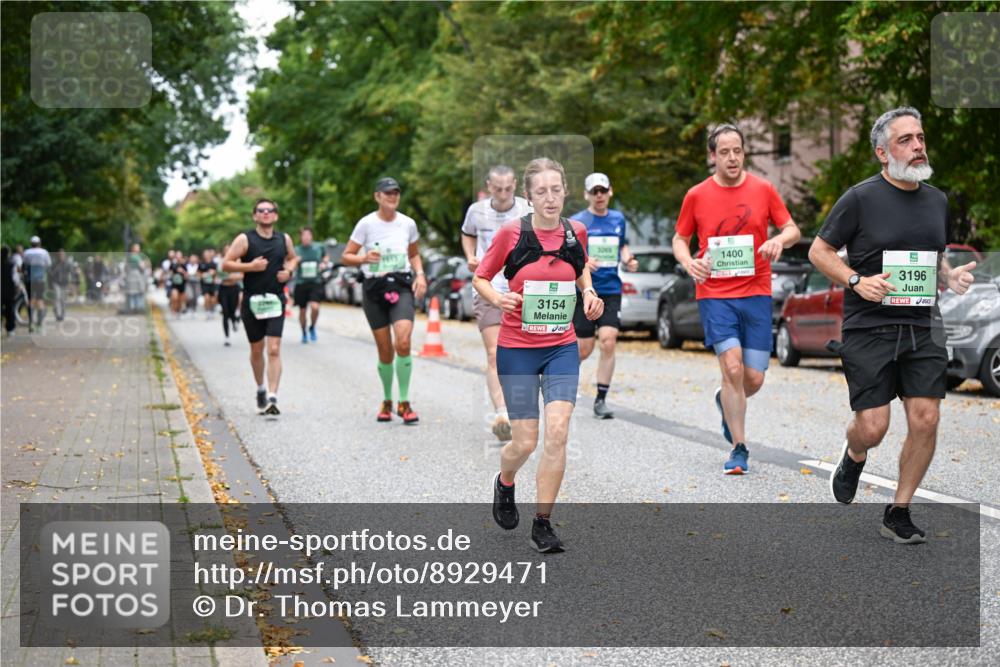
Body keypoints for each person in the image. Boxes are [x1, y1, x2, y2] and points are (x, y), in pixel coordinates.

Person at [808, 107, 976, 544]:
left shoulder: (937, 200)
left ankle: (898, 510)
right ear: (883, 152)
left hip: (922, 325)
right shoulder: (860, 198)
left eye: (920, 137)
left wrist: (949, 275)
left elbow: (930, 255)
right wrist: (856, 281)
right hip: (870, 327)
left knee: (926, 417)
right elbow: (820, 252)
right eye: (906, 140)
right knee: (873, 426)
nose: (918, 146)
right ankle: (854, 453)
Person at [473, 157, 604, 553]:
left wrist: (589, 293)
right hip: (518, 349)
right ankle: (506, 482)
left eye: (556, 190)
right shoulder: (512, 234)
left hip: (561, 346)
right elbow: (481, 276)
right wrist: (499, 297)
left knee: (559, 431)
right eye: (541, 192)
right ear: (529, 197)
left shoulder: (575, 231)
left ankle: (542, 523)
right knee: (525, 442)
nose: (550, 198)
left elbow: (580, 268)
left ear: (565, 191)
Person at [672, 123, 801, 475]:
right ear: (713, 156)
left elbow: (792, 228)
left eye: (738, 151)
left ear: (744, 153)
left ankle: (725, 400)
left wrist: (780, 240)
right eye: (724, 151)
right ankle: (739, 448)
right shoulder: (696, 195)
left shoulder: (763, 189)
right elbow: (680, 239)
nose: (732, 157)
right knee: (731, 367)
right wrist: (688, 262)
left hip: (756, 291)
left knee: (753, 378)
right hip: (714, 293)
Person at [341, 177, 427, 424]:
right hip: (374, 289)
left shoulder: (407, 224)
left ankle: (404, 401)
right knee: (385, 350)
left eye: (396, 192)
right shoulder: (366, 224)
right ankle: (387, 400)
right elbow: (347, 256)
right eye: (387, 193)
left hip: (400, 286)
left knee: (403, 340)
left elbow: (414, 254)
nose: (393, 196)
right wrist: (364, 258)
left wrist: (420, 274)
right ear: (377, 196)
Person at [461, 165, 532, 441]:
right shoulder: (476, 211)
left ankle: (520, 409)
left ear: (515, 185)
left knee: (521, 355)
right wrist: (470, 256)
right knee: (494, 353)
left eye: (508, 189)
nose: (503, 195)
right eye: (497, 189)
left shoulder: (527, 209)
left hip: (522, 290)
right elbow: (468, 234)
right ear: (489, 186)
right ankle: (502, 413)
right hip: (488, 288)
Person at [571, 173, 639, 419]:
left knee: (608, 340)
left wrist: (628, 260)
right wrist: (586, 263)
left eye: (603, 190)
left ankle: (601, 399)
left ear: (610, 192)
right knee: (583, 349)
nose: (598, 196)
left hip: (611, 290)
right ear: (586, 195)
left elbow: (622, 245)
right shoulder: (578, 222)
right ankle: (564, 379)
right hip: (584, 291)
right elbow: (568, 255)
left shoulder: (618, 219)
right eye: (594, 191)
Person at [222, 199, 297, 415]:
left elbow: (292, 259)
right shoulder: (245, 239)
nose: (266, 213)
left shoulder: (284, 239)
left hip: (275, 301)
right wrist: (251, 266)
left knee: (274, 349)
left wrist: (289, 272)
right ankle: (261, 388)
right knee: (257, 350)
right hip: (252, 302)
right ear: (255, 216)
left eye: (270, 210)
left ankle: (273, 396)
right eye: (261, 211)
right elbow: (226, 264)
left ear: (276, 215)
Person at [293, 227, 329, 343]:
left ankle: (312, 327)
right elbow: (289, 261)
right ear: (301, 237)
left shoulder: (318, 247)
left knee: (315, 307)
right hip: (301, 283)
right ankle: (304, 332)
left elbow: (326, 256)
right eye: (304, 235)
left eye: (308, 235)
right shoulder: (296, 250)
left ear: (311, 236)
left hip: (315, 282)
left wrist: (324, 263)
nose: (306, 237)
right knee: (302, 311)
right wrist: (295, 261)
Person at [22, 236, 52, 332]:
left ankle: (31, 323)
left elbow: (24, 266)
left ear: (31, 243)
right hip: (40, 280)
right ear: (39, 243)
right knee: (40, 301)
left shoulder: (27, 252)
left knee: (31, 300)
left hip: (29, 280)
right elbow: (48, 265)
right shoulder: (44, 252)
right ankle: (39, 324)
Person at [217, 243, 243, 347]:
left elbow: (241, 275)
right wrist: (229, 276)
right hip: (223, 289)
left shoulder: (238, 261)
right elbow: (219, 275)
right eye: (226, 250)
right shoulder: (220, 262)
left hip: (234, 289)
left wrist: (231, 277)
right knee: (225, 312)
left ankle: (235, 320)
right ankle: (226, 337)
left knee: (232, 310)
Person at [51, 250, 75, 321]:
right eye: (59, 255)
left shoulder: (67, 264)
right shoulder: (55, 263)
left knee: (63, 300)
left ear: (64, 256)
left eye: (62, 255)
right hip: (56, 283)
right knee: (57, 297)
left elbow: (71, 273)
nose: (61, 256)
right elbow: (51, 274)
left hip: (64, 284)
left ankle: (62, 315)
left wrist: (72, 284)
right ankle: (57, 314)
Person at [124, 243, 148, 314]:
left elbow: (125, 268)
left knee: (132, 293)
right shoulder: (136, 257)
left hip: (130, 276)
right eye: (138, 248)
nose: (139, 249)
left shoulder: (129, 257)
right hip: (136, 276)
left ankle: (132, 308)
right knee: (138, 293)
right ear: (134, 249)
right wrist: (145, 264)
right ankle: (137, 308)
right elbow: (142, 267)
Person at [199, 249, 218, 318]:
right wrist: (203, 275)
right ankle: (207, 312)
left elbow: (217, 274)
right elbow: (198, 273)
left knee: (213, 299)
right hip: (204, 284)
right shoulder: (201, 264)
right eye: (205, 254)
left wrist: (214, 273)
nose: (206, 255)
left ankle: (211, 310)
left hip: (212, 284)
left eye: (207, 253)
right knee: (206, 297)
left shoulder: (214, 264)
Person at [167, 252, 187, 317]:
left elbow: (187, 275)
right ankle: (173, 310)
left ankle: (178, 311)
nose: (178, 258)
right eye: (177, 256)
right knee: (175, 297)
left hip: (182, 284)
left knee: (180, 300)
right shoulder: (173, 264)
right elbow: (169, 273)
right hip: (174, 284)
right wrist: (173, 273)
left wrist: (182, 271)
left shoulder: (184, 265)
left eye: (179, 256)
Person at [2, 246, 16, 337]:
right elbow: (15, 278)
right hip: (9, 291)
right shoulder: (12, 264)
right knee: (10, 310)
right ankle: (10, 329)